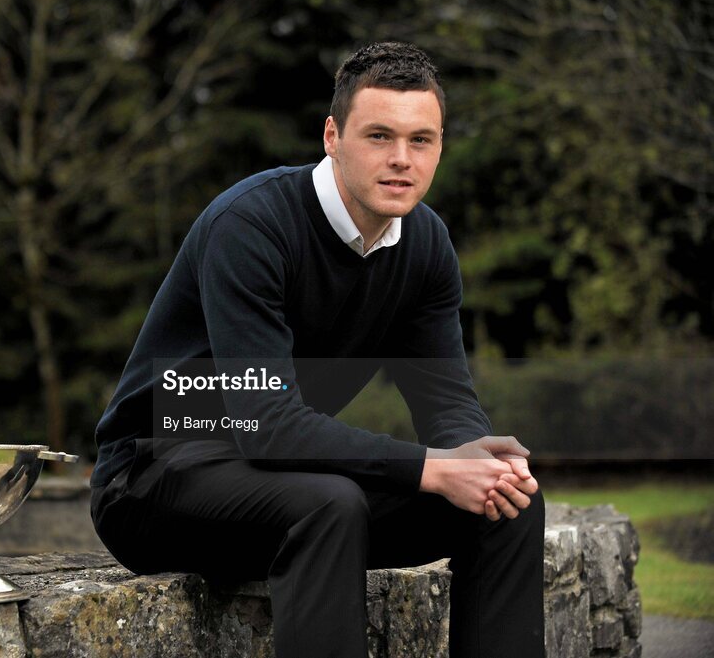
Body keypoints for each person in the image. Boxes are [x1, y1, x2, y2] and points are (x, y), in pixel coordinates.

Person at [89, 41, 544, 658]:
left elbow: (447, 400)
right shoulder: (251, 225)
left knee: (508, 500)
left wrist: (474, 461)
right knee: (329, 503)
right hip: (155, 475)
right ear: (332, 136)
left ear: (440, 147)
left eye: (421, 140)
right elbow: (266, 423)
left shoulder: (426, 244)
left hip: (284, 476)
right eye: (379, 136)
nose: (401, 159)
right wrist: (432, 467)